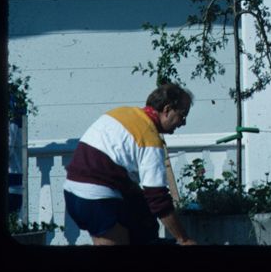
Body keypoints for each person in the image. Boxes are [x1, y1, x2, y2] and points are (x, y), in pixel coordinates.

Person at [62, 83, 197, 245]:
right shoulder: (149, 137)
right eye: (183, 115)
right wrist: (184, 239)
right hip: (97, 199)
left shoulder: (122, 113)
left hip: (73, 193)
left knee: (142, 218)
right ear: (167, 110)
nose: (183, 123)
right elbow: (157, 197)